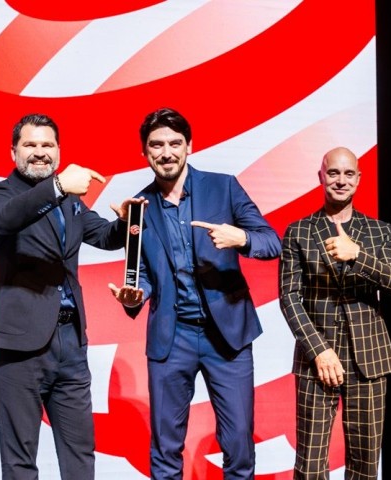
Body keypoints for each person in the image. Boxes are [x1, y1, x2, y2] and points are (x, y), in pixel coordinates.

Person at [108, 107, 282, 479]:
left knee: (238, 445)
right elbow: (142, 273)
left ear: (189, 146)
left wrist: (242, 238)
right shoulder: (137, 208)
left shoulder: (224, 187)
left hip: (228, 337)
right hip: (172, 338)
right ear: (145, 151)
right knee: (165, 449)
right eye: (157, 145)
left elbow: (272, 242)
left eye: (174, 143)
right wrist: (135, 295)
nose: (166, 152)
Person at [0, 113, 145, 479]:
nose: (40, 152)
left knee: (80, 455)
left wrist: (125, 222)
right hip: (19, 346)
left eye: (47, 145)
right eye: (30, 144)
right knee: (20, 460)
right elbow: (3, 220)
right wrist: (56, 187)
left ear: (58, 150)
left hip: (70, 343)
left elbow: (103, 236)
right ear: (13, 152)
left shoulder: (71, 202)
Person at [278, 146, 391, 479]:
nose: (341, 180)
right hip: (318, 357)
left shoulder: (380, 230)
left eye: (349, 174)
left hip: (369, 358)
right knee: (310, 464)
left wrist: (357, 255)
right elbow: (289, 298)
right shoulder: (298, 231)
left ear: (359, 179)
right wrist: (319, 351)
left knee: (365, 463)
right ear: (321, 177)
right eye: (333, 173)